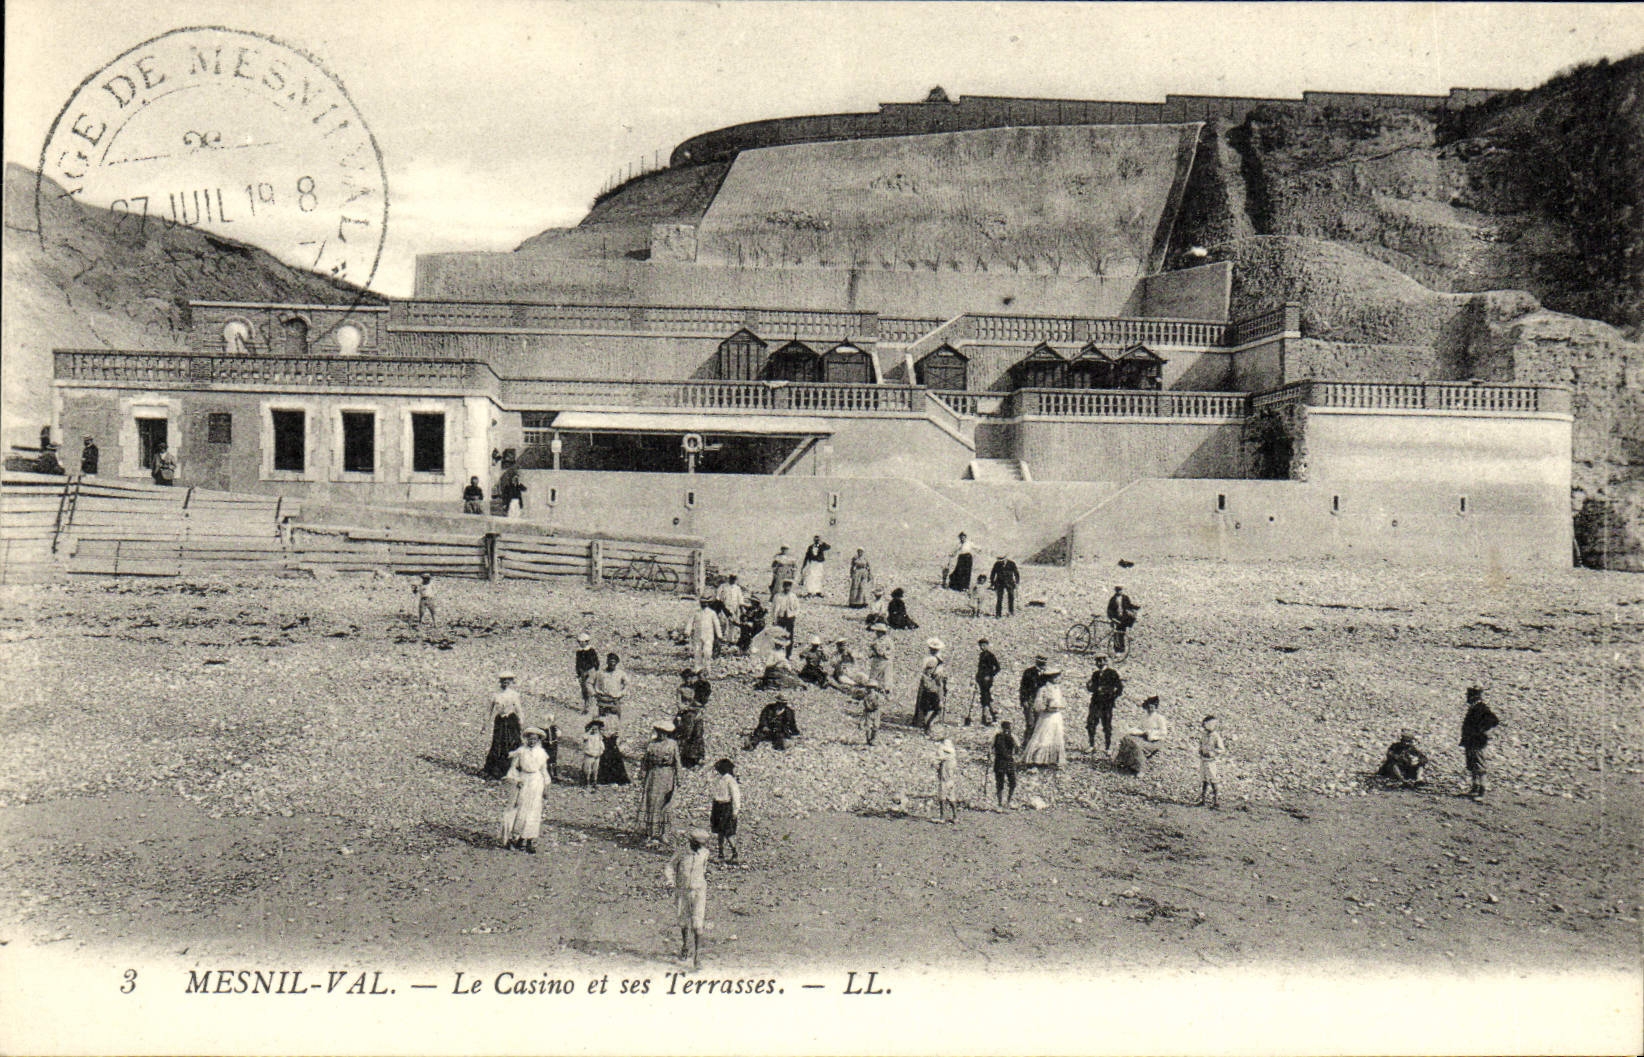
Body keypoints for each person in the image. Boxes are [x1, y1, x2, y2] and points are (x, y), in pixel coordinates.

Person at [666, 829, 714, 971]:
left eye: (702, 844)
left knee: (698, 923)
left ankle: (697, 957)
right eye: (697, 844)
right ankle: (685, 945)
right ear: (691, 842)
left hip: (699, 890)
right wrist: (670, 880)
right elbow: (670, 866)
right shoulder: (682, 853)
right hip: (683, 890)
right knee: (683, 920)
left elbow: (704, 869)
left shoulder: (705, 853)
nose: (700, 847)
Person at [500, 727, 550, 853]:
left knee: (534, 811)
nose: (532, 741)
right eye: (530, 739)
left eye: (535, 739)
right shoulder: (521, 751)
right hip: (523, 780)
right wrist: (516, 780)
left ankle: (528, 840)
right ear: (526, 739)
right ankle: (514, 838)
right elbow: (513, 768)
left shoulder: (541, 753)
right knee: (520, 810)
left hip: (536, 782)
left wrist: (546, 787)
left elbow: (544, 771)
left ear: (538, 740)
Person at [639, 720, 681, 843]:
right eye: (660, 732)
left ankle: (664, 833)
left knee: (665, 805)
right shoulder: (652, 744)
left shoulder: (673, 744)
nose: (662, 735)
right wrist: (642, 772)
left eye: (665, 733)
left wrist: (679, 778)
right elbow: (645, 760)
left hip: (667, 775)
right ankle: (651, 832)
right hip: (653, 775)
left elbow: (677, 762)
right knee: (652, 803)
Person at [1021, 667, 1068, 768]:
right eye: (1055, 677)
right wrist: (1046, 707)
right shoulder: (1043, 689)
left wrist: (1059, 706)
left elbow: (1063, 702)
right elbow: (1037, 705)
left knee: (1056, 737)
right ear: (1049, 678)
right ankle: (1036, 760)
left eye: (1058, 676)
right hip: (1046, 717)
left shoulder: (1058, 689)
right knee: (1043, 737)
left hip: (1056, 717)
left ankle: (1052, 760)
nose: (1057, 679)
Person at [1460, 686, 1500, 800]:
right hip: (1470, 740)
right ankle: (1475, 787)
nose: (1467, 698)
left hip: (1477, 741)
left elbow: (1494, 721)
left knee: (1479, 765)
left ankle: (1481, 790)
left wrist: (1483, 731)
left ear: (1474, 696)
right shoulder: (1475, 707)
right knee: (1472, 764)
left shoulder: (1481, 708)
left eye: (1469, 695)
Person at [483, 671, 524, 779]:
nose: (505, 682)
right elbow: (489, 710)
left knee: (512, 742)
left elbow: (518, 709)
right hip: (500, 721)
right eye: (503, 680)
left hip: (511, 720)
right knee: (498, 743)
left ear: (511, 682)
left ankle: (511, 769)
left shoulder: (514, 694)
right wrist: (485, 724)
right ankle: (496, 769)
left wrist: (521, 722)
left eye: (508, 680)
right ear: (500, 682)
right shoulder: (495, 694)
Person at [1114, 696, 1169, 775]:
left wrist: (1151, 733)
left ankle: (1140, 769)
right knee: (1127, 739)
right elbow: (1140, 728)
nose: (1150, 709)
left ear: (1155, 707)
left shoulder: (1159, 718)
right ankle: (1124, 762)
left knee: (1137, 745)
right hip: (1144, 737)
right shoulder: (1145, 717)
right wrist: (1133, 731)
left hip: (1155, 740)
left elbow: (1163, 732)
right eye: (1149, 707)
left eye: (1152, 707)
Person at [1085, 656, 1124, 754]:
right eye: (1097, 661)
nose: (1099, 663)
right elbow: (1093, 688)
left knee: (1106, 725)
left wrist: (1111, 696)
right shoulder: (1095, 674)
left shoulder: (1112, 673)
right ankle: (1091, 745)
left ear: (1105, 661)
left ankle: (1108, 747)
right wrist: (1089, 686)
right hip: (1095, 703)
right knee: (1091, 723)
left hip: (1106, 704)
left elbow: (1119, 688)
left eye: (1101, 661)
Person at [710, 760, 741, 862]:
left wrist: (735, 811)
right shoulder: (721, 779)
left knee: (727, 832)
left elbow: (736, 796)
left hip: (725, 807)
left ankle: (734, 853)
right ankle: (721, 854)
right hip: (718, 806)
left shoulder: (730, 780)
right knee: (720, 832)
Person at [912, 639, 947, 732]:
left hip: (926, 684)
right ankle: (928, 725)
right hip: (934, 686)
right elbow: (938, 676)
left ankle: (923, 723)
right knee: (937, 707)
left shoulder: (927, 659)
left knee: (925, 706)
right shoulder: (937, 661)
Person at [591, 653, 629, 729]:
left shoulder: (621, 673)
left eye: (614, 662)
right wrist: (594, 693)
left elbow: (627, 684)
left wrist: (622, 693)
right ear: (607, 662)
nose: (612, 664)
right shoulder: (600, 673)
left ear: (616, 663)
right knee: (602, 723)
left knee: (615, 723)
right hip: (603, 700)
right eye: (610, 662)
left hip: (615, 700)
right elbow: (589, 682)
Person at [1196, 715, 1226, 808]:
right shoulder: (1204, 735)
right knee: (1204, 779)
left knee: (1213, 780)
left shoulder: (1216, 736)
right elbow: (1201, 744)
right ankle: (1203, 799)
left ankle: (1216, 801)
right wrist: (1200, 750)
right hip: (1203, 760)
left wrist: (1213, 753)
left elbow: (1221, 749)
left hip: (1211, 761)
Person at [684, 596, 719, 675]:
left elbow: (716, 624)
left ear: (708, 603)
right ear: (700, 603)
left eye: (705, 603)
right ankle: (698, 669)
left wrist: (719, 635)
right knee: (697, 651)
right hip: (698, 635)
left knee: (707, 652)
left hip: (708, 636)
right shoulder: (696, 612)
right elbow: (690, 622)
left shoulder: (712, 613)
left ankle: (707, 668)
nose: (704, 604)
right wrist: (687, 631)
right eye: (702, 603)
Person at [674, 695, 707, 771]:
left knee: (692, 739)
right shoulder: (694, 714)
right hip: (693, 728)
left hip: (692, 730)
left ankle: (692, 760)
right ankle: (695, 759)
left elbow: (688, 732)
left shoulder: (690, 715)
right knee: (695, 739)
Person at [933, 730, 959, 824]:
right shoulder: (952, 751)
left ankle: (942, 817)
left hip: (944, 772)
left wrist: (936, 766)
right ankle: (955, 816)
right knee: (951, 794)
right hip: (951, 774)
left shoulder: (941, 748)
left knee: (942, 794)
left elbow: (937, 760)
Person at [992, 721, 1019, 809]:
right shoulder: (998, 736)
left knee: (1012, 783)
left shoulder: (1011, 737)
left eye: (1008, 728)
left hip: (1007, 762)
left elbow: (1017, 748)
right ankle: (1000, 803)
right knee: (1000, 784)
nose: (1007, 730)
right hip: (1001, 762)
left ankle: (1007, 802)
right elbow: (994, 748)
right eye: (1006, 728)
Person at [1019, 655, 1048, 737]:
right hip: (1030, 699)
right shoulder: (1028, 672)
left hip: (1041, 701)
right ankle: (1027, 743)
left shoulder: (1047, 674)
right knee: (1030, 723)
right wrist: (1024, 700)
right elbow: (1023, 687)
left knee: (1039, 724)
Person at [770, 579, 799, 657]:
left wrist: (794, 616)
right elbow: (773, 608)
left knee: (789, 636)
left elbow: (797, 608)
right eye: (786, 586)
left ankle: (788, 654)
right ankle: (777, 653)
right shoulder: (778, 596)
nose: (787, 588)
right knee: (778, 635)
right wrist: (774, 619)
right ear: (783, 586)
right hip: (780, 618)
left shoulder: (793, 596)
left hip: (790, 618)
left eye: (789, 586)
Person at [715, 574, 747, 648]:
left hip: (734, 608)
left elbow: (740, 600)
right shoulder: (723, 586)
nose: (733, 580)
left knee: (732, 624)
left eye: (734, 579)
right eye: (731, 579)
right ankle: (721, 637)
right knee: (723, 622)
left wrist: (742, 609)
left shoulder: (737, 588)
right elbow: (718, 597)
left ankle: (730, 639)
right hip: (724, 607)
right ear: (729, 578)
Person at [974, 638, 1000, 725]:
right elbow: (980, 668)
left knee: (985, 696)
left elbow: (997, 668)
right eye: (981, 645)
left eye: (984, 645)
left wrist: (990, 675)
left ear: (987, 645)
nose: (982, 647)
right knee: (985, 696)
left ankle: (985, 717)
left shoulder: (990, 655)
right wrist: (977, 676)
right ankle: (992, 715)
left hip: (987, 680)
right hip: (981, 679)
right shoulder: (981, 655)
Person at [574, 633, 600, 713]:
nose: (581, 643)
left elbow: (595, 662)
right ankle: (586, 705)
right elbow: (578, 663)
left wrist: (593, 671)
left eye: (583, 642)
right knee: (584, 689)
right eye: (579, 642)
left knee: (589, 687)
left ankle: (591, 706)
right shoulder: (579, 651)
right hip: (582, 672)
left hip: (590, 670)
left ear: (587, 642)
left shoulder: (591, 651)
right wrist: (579, 673)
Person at [866, 621, 894, 694]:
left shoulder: (888, 640)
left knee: (886, 675)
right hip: (877, 660)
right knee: (874, 674)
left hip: (885, 660)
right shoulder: (875, 640)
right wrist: (872, 653)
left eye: (878, 632)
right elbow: (870, 650)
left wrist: (885, 653)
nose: (877, 633)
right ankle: (873, 687)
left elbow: (891, 650)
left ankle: (886, 689)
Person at [857, 680, 885, 746]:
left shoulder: (877, 696)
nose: (871, 689)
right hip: (868, 712)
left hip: (876, 712)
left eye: (873, 688)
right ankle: (868, 740)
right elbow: (865, 705)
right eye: (869, 687)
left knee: (876, 726)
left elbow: (880, 702)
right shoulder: (866, 697)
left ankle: (873, 739)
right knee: (868, 727)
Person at [581, 719, 605, 787]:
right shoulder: (588, 736)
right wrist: (589, 731)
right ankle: (586, 782)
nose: (594, 730)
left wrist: (600, 752)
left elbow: (602, 746)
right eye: (593, 729)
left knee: (595, 770)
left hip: (596, 756)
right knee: (587, 770)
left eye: (596, 729)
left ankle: (594, 782)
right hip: (589, 755)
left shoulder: (599, 737)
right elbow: (584, 736)